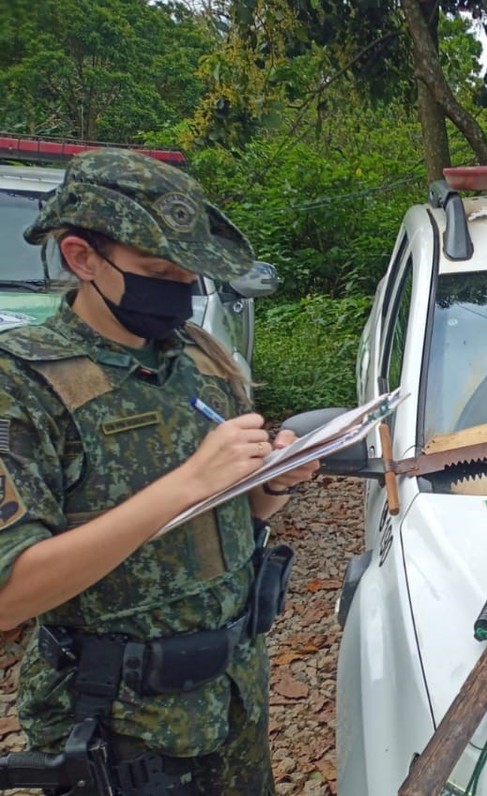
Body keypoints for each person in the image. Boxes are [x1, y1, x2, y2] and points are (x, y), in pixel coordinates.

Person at [0, 149, 319, 794]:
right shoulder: (22, 381)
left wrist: (272, 485)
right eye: (155, 271)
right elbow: (11, 591)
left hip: (233, 694)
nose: (178, 288)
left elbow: (233, 513)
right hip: (120, 724)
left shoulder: (199, 359)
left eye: (187, 273)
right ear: (82, 258)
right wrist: (188, 482)